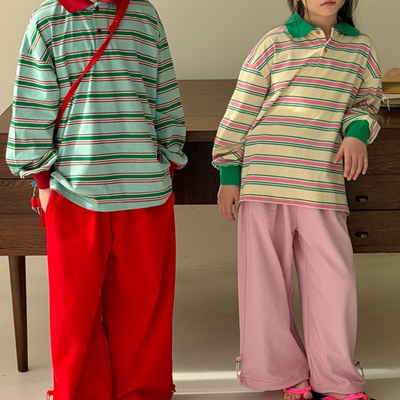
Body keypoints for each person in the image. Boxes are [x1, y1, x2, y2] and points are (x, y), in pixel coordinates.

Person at [6, 0, 187, 399]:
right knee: (75, 312)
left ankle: (143, 393)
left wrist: (167, 160)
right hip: (74, 190)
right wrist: (42, 181)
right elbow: (32, 105)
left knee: (145, 308)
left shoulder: (144, 14)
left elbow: (165, 94)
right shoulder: (47, 20)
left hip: (145, 189)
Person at [212, 1, 381, 400]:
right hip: (264, 177)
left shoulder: (361, 47)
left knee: (334, 282)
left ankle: (336, 379)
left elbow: (366, 102)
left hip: (321, 179)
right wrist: (229, 174)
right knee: (265, 283)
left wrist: (357, 134)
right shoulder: (273, 42)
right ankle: (285, 372)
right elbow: (241, 109)